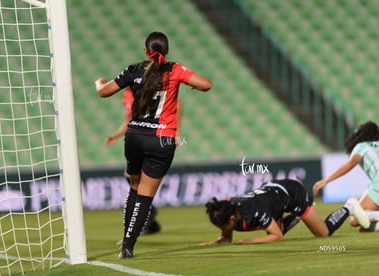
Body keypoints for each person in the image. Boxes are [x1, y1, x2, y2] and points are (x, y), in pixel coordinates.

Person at [95, 31, 212, 258]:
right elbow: (206, 84)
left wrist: (99, 82)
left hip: (135, 136)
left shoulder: (134, 70)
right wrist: (189, 84)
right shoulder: (175, 70)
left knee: (134, 186)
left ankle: (125, 239)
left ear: (146, 51)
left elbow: (103, 92)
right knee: (146, 196)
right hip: (161, 139)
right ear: (165, 51)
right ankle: (128, 245)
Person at [105, 87, 182, 235]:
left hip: (153, 137)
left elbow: (176, 104)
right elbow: (128, 120)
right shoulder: (127, 94)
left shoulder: (147, 91)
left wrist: (176, 132)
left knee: (138, 177)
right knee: (131, 176)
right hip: (137, 137)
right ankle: (149, 217)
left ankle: (148, 217)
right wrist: (116, 135)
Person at [199, 179, 368, 245]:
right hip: (273, 197)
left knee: (323, 234)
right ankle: (298, 216)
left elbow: (278, 237)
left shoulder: (255, 211)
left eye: (224, 226)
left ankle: (350, 206)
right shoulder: (227, 208)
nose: (224, 230)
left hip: (293, 193)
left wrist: (249, 241)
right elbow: (226, 238)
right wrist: (208, 244)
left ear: (232, 218)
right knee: (271, 231)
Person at [313, 121, 379, 230]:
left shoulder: (361, 146)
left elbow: (348, 165)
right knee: (363, 226)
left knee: (354, 220)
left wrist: (326, 181)